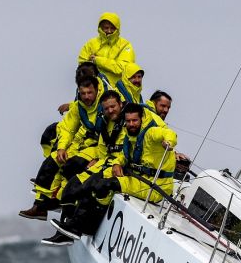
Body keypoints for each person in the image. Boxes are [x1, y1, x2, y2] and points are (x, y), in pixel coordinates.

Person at [46, 103, 176, 243]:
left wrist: (168, 142)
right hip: (140, 179)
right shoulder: (131, 134)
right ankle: (74, 225)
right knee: (92, 183)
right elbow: (125, 156)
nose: (131, 124)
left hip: (156, 186)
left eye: (135, 121)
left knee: (106, 186)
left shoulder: (151, 133)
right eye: (128, 121)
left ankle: (89, 227)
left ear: (142, 120)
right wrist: (116, 163)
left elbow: (169, 134)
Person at [19, 76, 102, 220]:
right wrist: (61, 148)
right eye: (83, 94)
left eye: (90, 93)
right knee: (51, 161)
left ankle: (58, 201)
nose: (87, 97)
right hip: (81, 145)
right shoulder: (78, 107)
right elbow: (68, 129)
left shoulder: (104, 106)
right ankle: (39, 207)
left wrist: (98, 159)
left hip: (98, 148)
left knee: (71, 166)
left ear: (97, 91)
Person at [77, 12, 135, 87]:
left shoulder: (125, 45)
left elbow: (123, 68)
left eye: (112, 28)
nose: (109, 31)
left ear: (117, 28)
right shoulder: (91, 44)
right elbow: (82, 66)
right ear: (101, 28)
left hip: (116, 90)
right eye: (106, 28)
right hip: (93, 89)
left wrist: (97, 60)